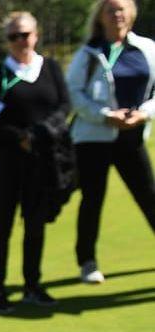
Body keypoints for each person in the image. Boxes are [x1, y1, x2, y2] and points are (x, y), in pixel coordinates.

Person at [0, 11, 71, 313]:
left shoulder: (50, 68)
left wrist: (44, 132)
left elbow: (64, 105)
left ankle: (32, 285)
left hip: (43, 159)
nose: (21, 41)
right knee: (3, 223)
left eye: (25, 35)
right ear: (7, 41)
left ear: (36, 35)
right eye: (14, 36)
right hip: (8, 159)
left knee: (35, 224)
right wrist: (19, 137)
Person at [68, 0, 155, 284]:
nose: (117, 15)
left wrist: (144, 114)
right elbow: (75, 94)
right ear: (100, 17)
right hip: (94, 138)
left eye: (121, 9)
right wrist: (105, 115)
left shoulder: (146, 49)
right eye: (110, 10)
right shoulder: (89, 53)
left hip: (131, 134)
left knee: (149, 195)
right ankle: (87, 261)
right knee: (92, 198)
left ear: (131, 13)